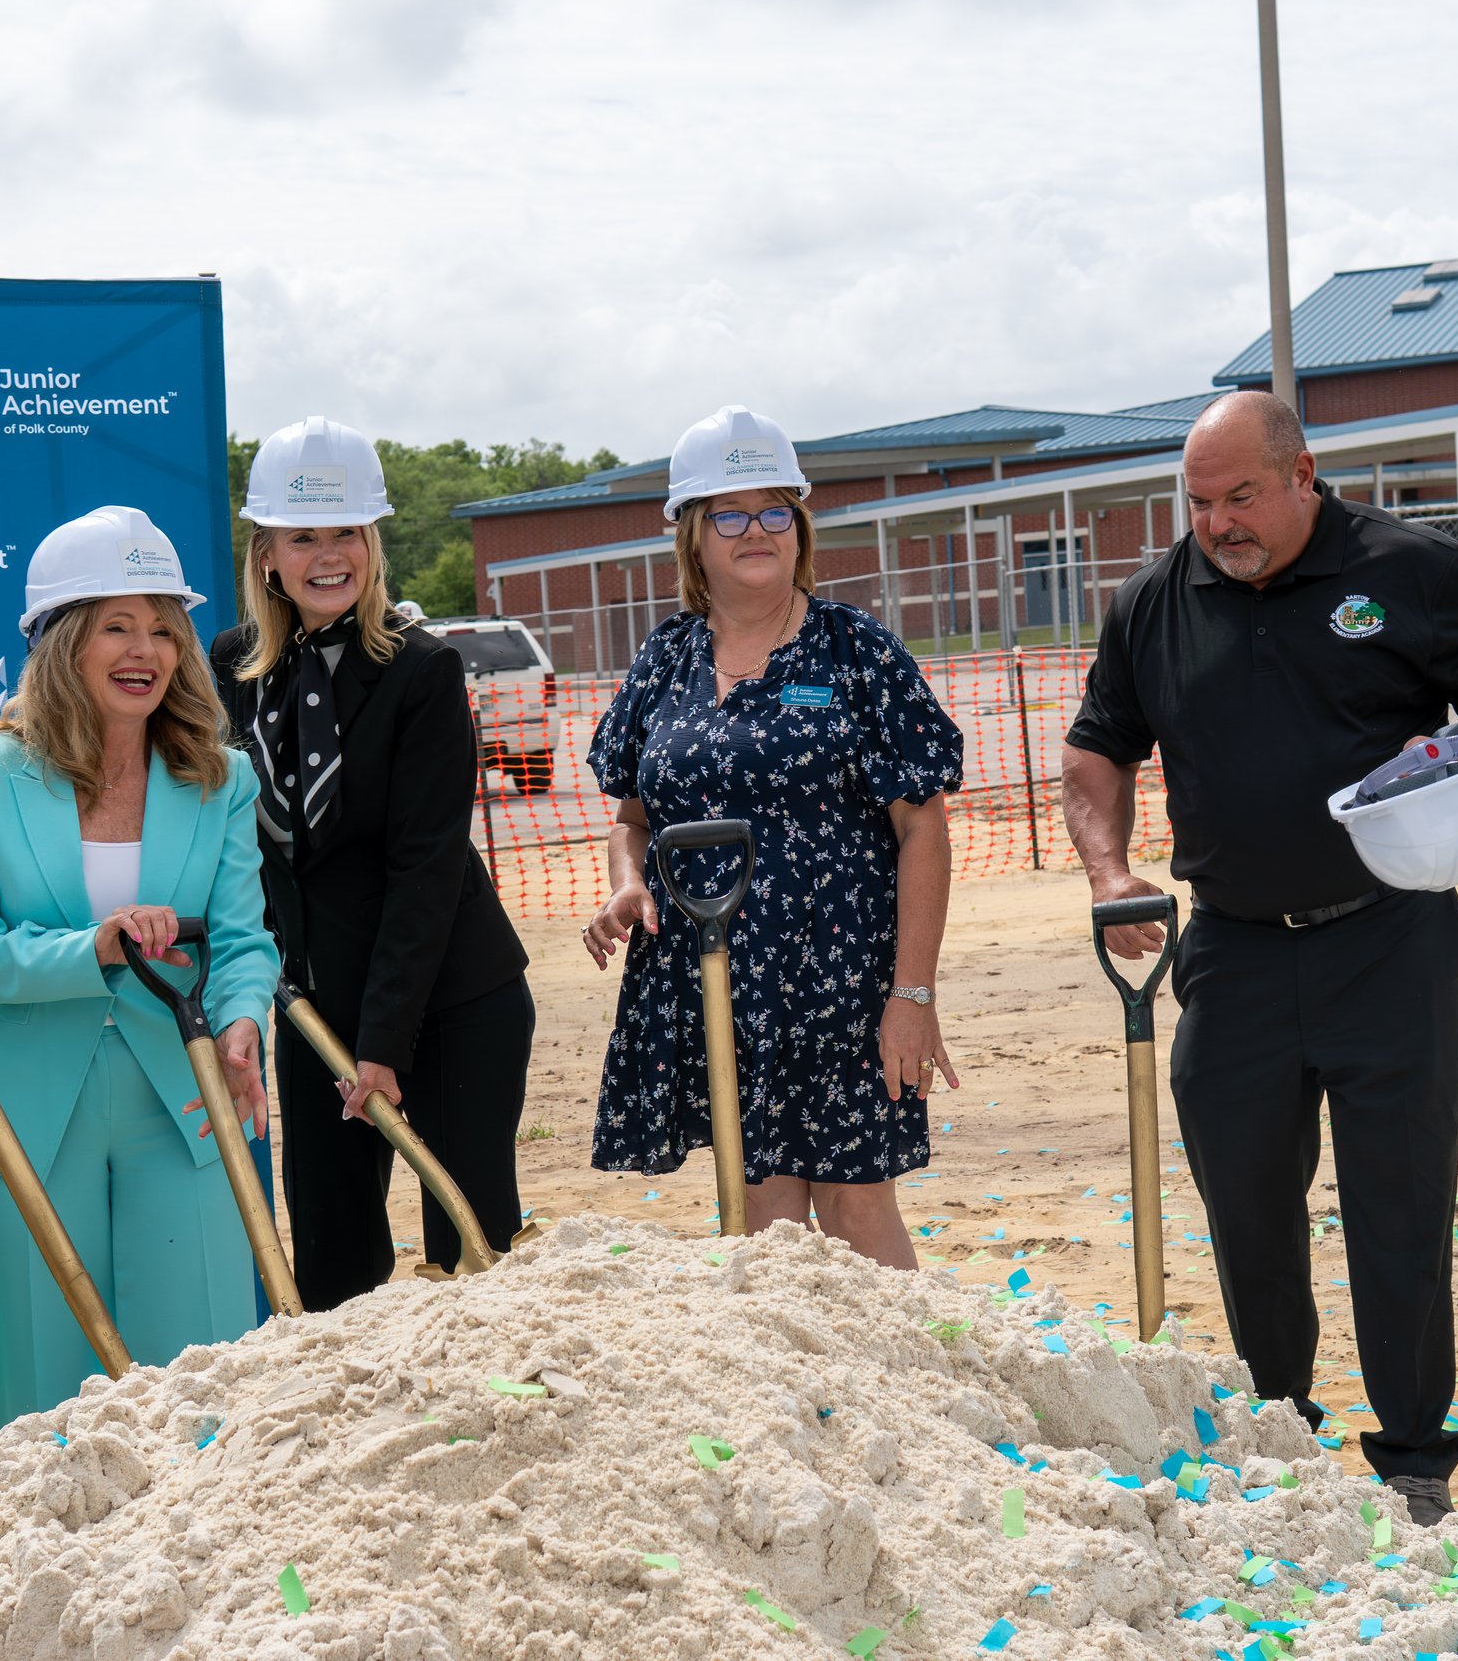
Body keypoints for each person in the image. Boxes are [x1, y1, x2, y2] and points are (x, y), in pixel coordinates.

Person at [1060, 392, 1458, 1526]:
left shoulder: (1409, 564)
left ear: (1303, 475)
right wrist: (1107, 870)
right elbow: (1097, 746)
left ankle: (1414, 1458)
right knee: (1246, 1203)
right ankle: (1280, 1420)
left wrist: (1454, 752)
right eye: (1197, 501)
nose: (1217, 523)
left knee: (1397, 1197)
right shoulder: (1155, 599)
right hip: (1231, 952)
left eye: (1239, 496)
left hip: (1389, 935)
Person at [582, 405, 964, 1268]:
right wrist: (627, 882)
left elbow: (923, 827)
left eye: (774, 509)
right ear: (692, 534)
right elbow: (632, 820)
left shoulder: (855, 652)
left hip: (840, 982)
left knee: (858, 1208)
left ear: (799, 522)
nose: (757, 529)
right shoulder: (665, 660)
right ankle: (813, 1404)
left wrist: (913, 995)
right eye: (730, 512)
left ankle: (911, 1396)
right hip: (713, 979)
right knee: (765, 1223)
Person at [0, 505, 277, 1430]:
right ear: (61, 643)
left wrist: (242, 1020)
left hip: (186, 1104)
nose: (147, 650)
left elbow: (242, 941)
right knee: (37, 1409)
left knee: (196, 1390)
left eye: (163, 628)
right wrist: (93, 949)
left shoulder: (220, 775)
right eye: (116, 626)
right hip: (25, 1117)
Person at [211, 417, 532, 1304]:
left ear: (372, 542)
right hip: (315, 1009)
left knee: (467, 1264)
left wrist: (385, 1042)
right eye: (302, 535)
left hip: (447, 1004)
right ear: (266, 551)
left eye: (346, 531)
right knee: (334, 1260)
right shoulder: (235, 665)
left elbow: (424, 866)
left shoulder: (423, 670)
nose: (327, 555)